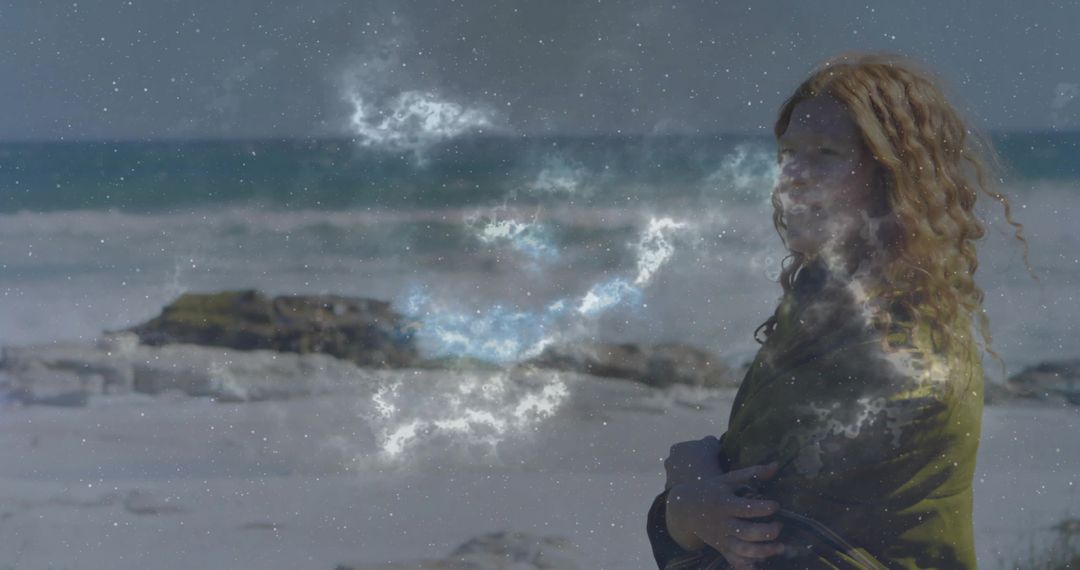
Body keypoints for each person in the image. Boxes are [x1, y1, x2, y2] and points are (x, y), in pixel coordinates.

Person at [646, 53, 1031, 569]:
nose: (793, 177)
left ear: (894, 178)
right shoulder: (823, 307)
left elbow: (752, 538)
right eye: (788, 153)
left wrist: (685, 486)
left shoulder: (894, 352)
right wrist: (691, 498)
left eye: (826, 153)